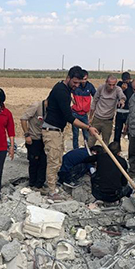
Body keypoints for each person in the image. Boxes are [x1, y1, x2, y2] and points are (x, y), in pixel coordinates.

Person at [43, 66, 99, 200]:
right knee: (53, 161)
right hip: (51, 131)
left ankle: (53, 185)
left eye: (79, 83)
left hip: (57, 130)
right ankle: (51, 191)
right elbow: (69, 117)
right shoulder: (61, 91)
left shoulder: (65, 89)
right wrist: (88, 127)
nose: (76, 85)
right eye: (74, 82)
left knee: (57, 159)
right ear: (68, 78)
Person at [90, 75, 126, 145]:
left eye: (113, 85)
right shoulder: (101, 88)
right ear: (106, 82)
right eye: (109, 85)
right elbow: (94, 101)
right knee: (91, 141)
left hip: (108, 121)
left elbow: (122, 96)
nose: (111, 87)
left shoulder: (117, 89)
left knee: (105, 143)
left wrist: (122, 100)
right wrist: (90, 117)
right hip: (97, 118)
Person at [20, 100, 47, 190]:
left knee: (44, 162)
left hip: (45, 139)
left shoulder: (52, 109)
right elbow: (23, 118)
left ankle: (39, 184)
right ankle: (32, 183)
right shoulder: (36, 106)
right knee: (34, 161)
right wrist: (27, 135)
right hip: (33, 139)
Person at [71, 70, 96, 149]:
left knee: (86, 134)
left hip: (84, 114)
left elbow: (96, 96)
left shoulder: (90, 86)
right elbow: (68, 92)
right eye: (82, 79)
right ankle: (75, 149)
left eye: (85, 79)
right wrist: (72, 100)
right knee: (75, 134)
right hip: (75, 113)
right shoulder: (76, 86)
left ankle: (86, 149)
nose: (83, 81)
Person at [114, 72, 134, 143]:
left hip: (129, 112)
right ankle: (116, 150)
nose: (126, 82)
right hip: (120, 111)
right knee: (117, 133)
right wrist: (122, 90)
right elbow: (115, 95)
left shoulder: (132, 86)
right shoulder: (118, 86)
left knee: (130, 133)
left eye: (127, 80)